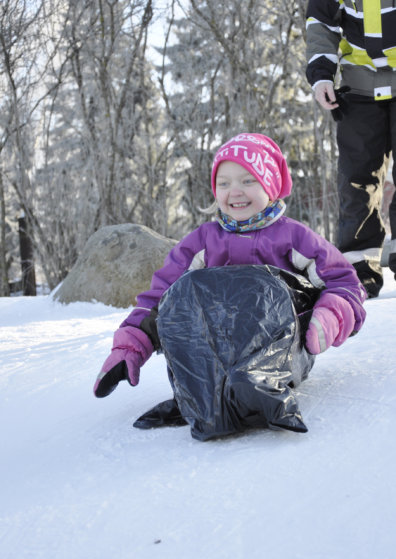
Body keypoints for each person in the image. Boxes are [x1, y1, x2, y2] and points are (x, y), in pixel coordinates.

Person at [93, 133, 367, 435]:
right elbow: (160, 296)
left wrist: (328, 318)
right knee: (186, 291)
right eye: (224, 183)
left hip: (283, 353)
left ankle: (256, 384)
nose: (234, 191)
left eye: (248, 180)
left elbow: (344, 284)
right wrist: (131, 346)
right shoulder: (203, 241)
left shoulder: (294, 237)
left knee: (264, 289)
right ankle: (201, 391)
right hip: (213, 355)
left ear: (271, 185)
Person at [305, 0, 396, 298]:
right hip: (358, 91)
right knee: (356, 182)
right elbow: (322, 27)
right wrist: (321, 77)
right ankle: (359, 272)